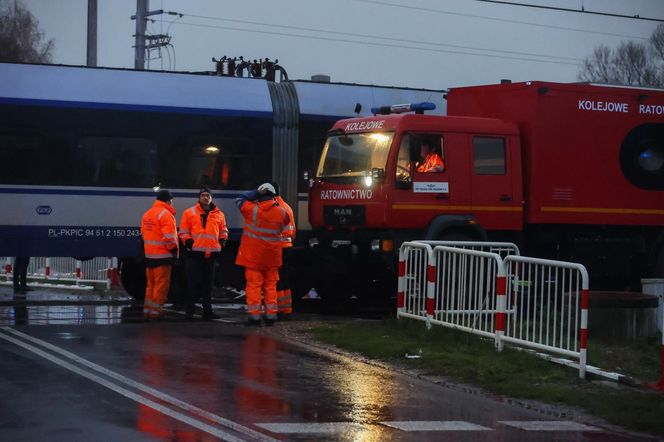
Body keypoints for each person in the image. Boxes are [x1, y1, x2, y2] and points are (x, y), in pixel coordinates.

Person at [235, 182, 291, 326]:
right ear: (274, 196)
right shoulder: (282, 212)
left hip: (253, 257)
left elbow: (239, 199)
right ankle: (271, 316)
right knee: (270, 286)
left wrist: (256, 192)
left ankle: (254, 317)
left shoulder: (252, 210)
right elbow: (285, 222)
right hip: (272, 258)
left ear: (260, 196)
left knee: (254, 286)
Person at [180, 187, 228, 320]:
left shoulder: (220, 214)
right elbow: (183, 231)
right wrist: (188, 242)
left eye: (208, 195)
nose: (206, 198)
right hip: (195, 254)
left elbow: (223, 230)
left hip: (211, 255)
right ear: (199, 198)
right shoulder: (189, 213)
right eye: (203, 195)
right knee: (192, 284)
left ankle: (207, 311)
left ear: (211, 198)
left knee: (208, 285)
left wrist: (223, 240)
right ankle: (189, 311)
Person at [140, 189, 179, 320]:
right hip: (163, 256)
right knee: (161, 285)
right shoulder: (166, 215)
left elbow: (144, 234)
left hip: (150, 256)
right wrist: (173, 250)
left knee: (150, 285)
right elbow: (169, 237)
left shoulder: (147, 214)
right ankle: (156, 312)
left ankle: (147, 310)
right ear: (168, 201)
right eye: (172, 201)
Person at [270, 182, 296, 320]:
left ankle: (280, 310)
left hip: (277, 248)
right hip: (288, 247)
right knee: (286, 280)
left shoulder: (274, 208)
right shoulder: (287, 207)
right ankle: (287, 309)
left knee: (277, 280)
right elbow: (293, 232)